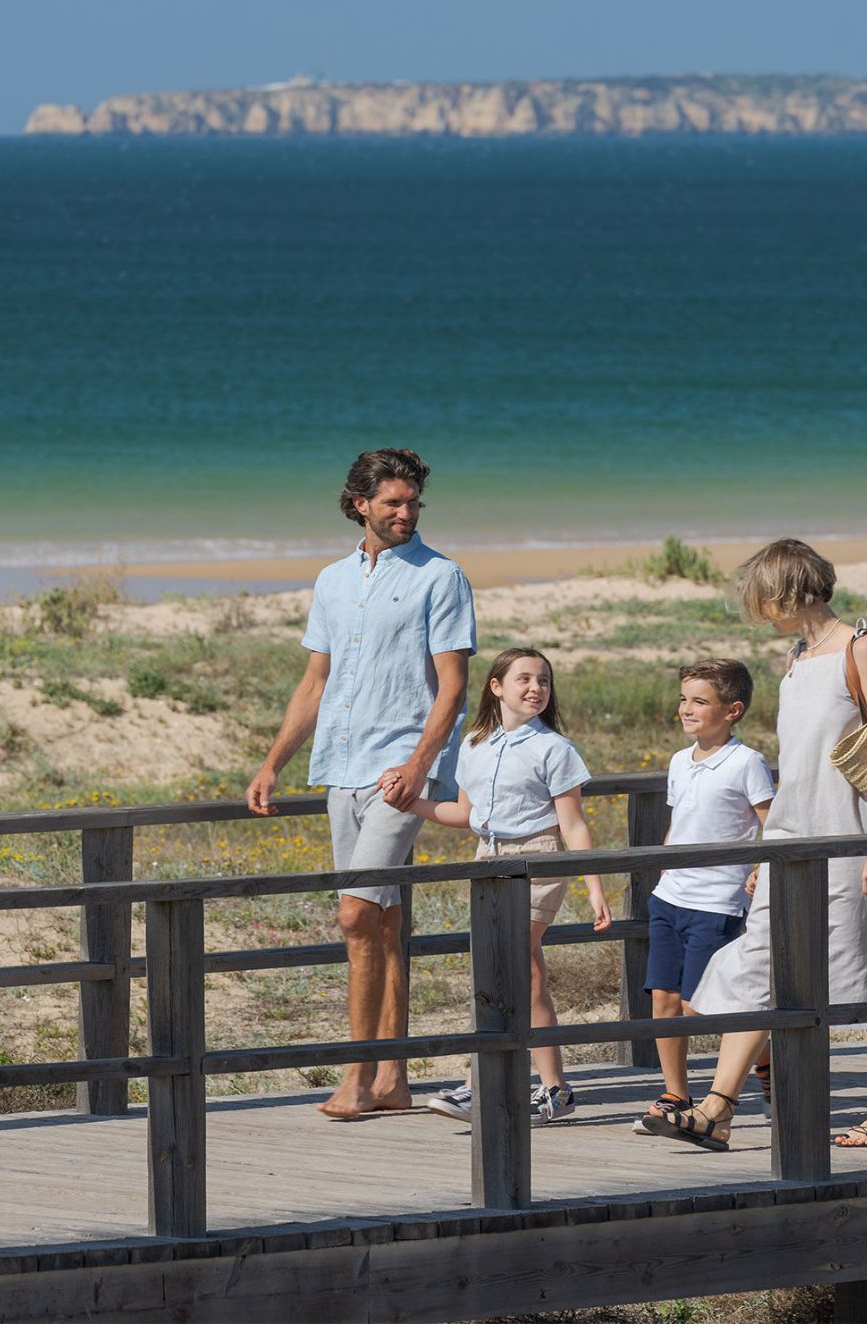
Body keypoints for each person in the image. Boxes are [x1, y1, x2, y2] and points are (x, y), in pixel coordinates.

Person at [639, 539, 867, 1152]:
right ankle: (718, 1110)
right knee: (757, 967)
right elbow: (799, 768)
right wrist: (765, 852)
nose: (756, 610)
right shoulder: (797, 657)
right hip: (790, 843)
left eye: (761, 597)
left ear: (786, 591)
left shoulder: (862, 648)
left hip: (854, 839)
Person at [245, 448, 476, 1119]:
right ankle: (393, 1079)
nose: (407, 512)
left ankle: (356, 1075)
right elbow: (315, 681)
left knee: (352, 914)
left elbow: (454, 687)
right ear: (360, 504)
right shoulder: (332, 580)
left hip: (401, 775)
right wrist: (272, 763)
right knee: (381, 918)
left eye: (414, 502)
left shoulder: (441, 577)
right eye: (393, 502)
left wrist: (419, 765)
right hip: (339, 768)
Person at [385, 647, 612, 1126]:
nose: (536, 688)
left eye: (543, 680)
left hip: (538, 858)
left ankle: (480, 1086)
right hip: (488, 857)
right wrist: (412, 804)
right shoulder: (474, 745)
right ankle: (553, 1089)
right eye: (524, 679)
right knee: (523, 973)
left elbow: (573, 824)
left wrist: (595, 886)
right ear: (496, 687)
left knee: (508, 966)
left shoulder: (555, 749)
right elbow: (464, 814)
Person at [635, 660, 774, 1132]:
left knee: (702, 1005)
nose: (686, 709)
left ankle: (765, 1061)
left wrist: (761, 868)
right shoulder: (679, 760)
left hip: (717, 902)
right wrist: (664, 867)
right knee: (663, 998)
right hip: (670, 896)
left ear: (733, 710)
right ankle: (675, 1093)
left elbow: (772, 823)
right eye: (683, 699)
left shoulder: (746, 762)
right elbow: (680, 823)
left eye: (700, 701)